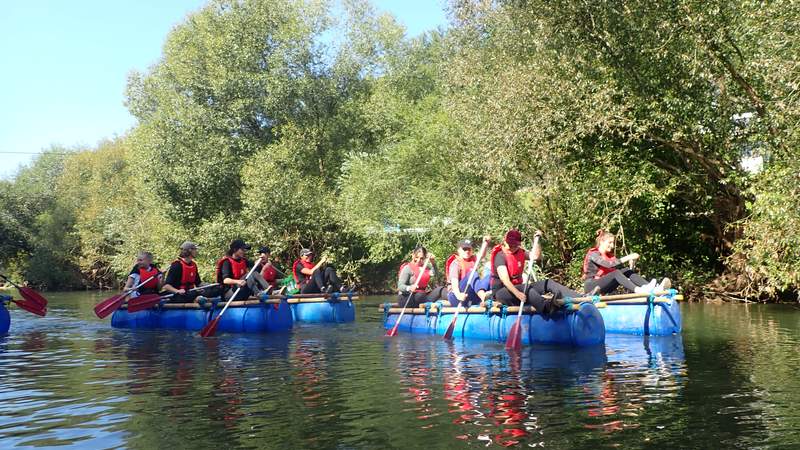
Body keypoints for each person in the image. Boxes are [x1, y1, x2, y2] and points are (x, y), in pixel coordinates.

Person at [490, 229, 580, 314]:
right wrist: (518, 294)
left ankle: (579, 298)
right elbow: (505, 280)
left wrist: (537, 241)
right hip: (502, 293)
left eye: (515, 245)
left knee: (547, 283)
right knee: (525, 288)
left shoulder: (520, 252)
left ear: (519, 244)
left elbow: (536, 256)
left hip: (519, 289)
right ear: (505, 241)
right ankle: (546, 307)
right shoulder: (500, 256)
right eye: (510, 245)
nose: (512, 247)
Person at [582, 229, 670, 294]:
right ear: (601, 242)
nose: (612, 246)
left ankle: (654, 288)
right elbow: (608, 265)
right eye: (610, 242)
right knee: (616, 273)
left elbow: (621, 271)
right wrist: (629, 257)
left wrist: (631, 263)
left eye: (613, 243)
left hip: (602, 286)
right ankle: (639, 290)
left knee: (626, 270)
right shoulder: (593, 254)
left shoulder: (609, 256)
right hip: (591, 286)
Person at [446, 236, 490, 307]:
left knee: (490, 276)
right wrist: (458, 295)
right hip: (456, 296)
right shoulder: (456, 263)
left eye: (469, 249)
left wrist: (485, 243)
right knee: (472, 274)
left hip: (469, 294)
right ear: (459, 250)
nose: (467, 251)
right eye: (464, 249)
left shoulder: (473, 259)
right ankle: (482, 295)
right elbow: (454, 283)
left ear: (472, 250)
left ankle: (488, 296)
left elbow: (482, 255)